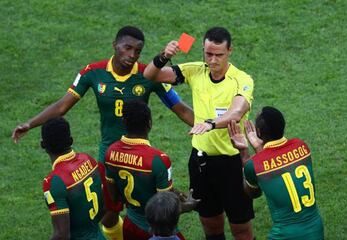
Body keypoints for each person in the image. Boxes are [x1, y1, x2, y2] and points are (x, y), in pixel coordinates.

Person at [12, 25, 194, 163]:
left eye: (137, 51)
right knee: (108, 210)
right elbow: (61, 106)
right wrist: (30, 123)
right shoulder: (92, 72)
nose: (132, 55)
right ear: (115, 45)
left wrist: (211, 126)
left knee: (140, 209)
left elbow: (182, 110)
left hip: (138, 156)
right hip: (108, 154)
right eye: (127, 48)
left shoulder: (149, 75)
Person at [144, 27, 255, 240]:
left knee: (241, 229)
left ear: (230, 51)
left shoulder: (242, 79)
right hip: (201, 163)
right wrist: (164, 56)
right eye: (208, 54)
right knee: (211, 225)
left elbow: (237, 112)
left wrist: (210, 124)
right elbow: (150, 75)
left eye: (219, 55)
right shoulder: (195, 70)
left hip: (233, 162)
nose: (212, 60)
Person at [104, 100, 197, 240]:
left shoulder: (110, 152)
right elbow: (165, 211)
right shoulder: (158, 159)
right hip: (157, 231)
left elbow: (115, 197)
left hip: (130, 225)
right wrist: (187, 206)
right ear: (149, 124)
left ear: (123, 122)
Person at [228, 106, 324, 240]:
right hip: (316, 229)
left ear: (259, 132)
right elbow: (277, 166)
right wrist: (257, 146)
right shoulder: (302, 146)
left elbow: (253, 193)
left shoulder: (254, 165)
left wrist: (244, 153)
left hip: (285, 234)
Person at [41, 117, 109, 239]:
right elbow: (104, 207)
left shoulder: (53, 181)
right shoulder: (89, 160)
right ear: (71, 140)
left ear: (43, 145)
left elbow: (62, 235)